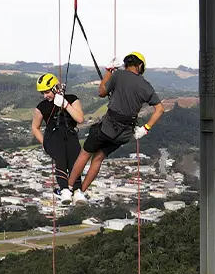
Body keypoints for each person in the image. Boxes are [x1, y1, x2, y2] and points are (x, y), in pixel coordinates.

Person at [66, 52, 164, 198]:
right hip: (124, 134)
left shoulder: (119, 76)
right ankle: (81, 192)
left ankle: (68, 188)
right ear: (140, 66)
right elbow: (160, 109)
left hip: (107, 127)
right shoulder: (146, 86)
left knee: (85, 153)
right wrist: (145, 129)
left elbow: (102, 91)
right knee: (98, 158)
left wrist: (108, 71)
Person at [31, 72, 85, 202]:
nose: (45, 96)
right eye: (42, 93)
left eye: (47, 92)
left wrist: (65, 104)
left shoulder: (72, 99)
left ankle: (76, 190)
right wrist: (44, 143)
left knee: (74, 159)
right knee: (61, 158)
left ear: (55, 88)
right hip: (53, 136)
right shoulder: (42, 107)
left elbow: (80, 118)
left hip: (69, 134)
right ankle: (64, 189)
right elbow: (35, 127)